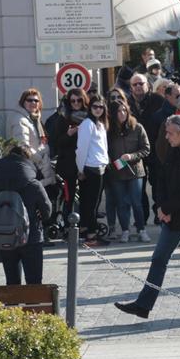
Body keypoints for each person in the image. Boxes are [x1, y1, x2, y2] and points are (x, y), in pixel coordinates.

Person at [114, 115, 180, 326]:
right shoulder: (175, 149)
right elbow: (162, 179)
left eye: (170, 133)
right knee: (159, 259)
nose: (167, 137)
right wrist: (161, 208)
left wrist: (168, 208)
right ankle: (143, 305)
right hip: (172, 217)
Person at [0, 145, 51, 285]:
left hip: (4, 235)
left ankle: (14, 300)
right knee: (34, 282)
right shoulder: (33, 184)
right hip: (32, 237)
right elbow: (47, 211)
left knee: (12, 282)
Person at [105, 101, 151, 244]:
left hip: (135, 171)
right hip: (117, 172)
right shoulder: (109, 130)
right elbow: (104, 148)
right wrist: (109, 160)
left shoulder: (137, 127)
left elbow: (146, 148)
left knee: (136, 202)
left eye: (124, 110)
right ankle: (125, 230)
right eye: (119, 111)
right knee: (122, 203)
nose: (122, 113)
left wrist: (132, 156)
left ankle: (141, 229)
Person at [75, 95, 110, 246]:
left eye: (101, 107)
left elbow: (103, 147)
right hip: (90, 168)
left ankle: (86, 230)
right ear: (90, 108)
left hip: (100, 167)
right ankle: (91, 235)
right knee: (91, 203)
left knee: (92, 203)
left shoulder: (100, 124)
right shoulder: (87, 124)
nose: (98, 109)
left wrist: (106, 162)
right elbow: (81, 149)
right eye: (95, 106)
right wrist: (80, 169)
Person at [7, 88, 54, 182]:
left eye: (36, 100)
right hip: (31, 167)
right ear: (23, 102)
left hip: (39, 166)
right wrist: (40, 160)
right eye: (29, 100)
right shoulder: (20, 120)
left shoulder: (34, 119)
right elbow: (23, 146)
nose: (33, 102)